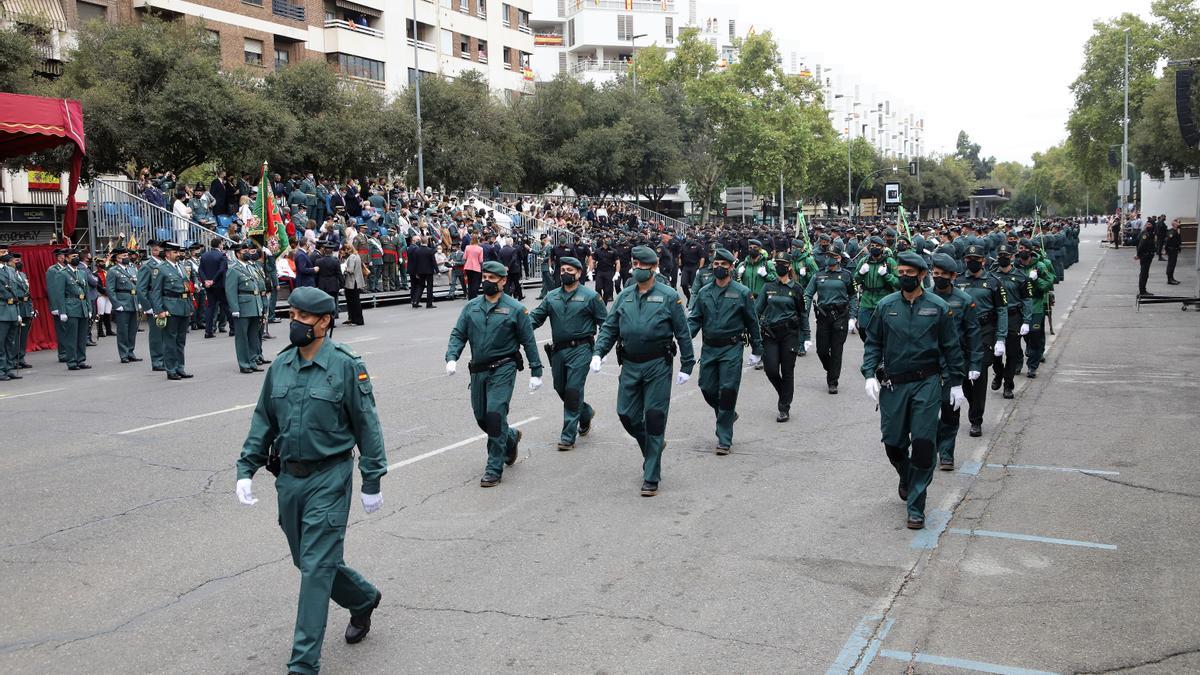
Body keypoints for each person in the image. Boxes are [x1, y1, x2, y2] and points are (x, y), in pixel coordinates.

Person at [235, 286, 387, 675]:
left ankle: (303, 665)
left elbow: (367, 425)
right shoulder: (282, 365)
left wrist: (372, 479)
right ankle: (364, 597)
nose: (295, 323)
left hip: (330, 477)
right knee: (307, 560)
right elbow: (263, 421)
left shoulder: (347, 365)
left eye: (304, 317)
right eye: (293, 316)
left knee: (317, 567)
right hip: (289, 480)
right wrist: (246, 469)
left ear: (324, 321)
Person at [862, 251, 966, 530]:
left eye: (910, 273)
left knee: (922, 444)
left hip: (927, 383)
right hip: (894, 384)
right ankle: (905, 475)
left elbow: (951, 347)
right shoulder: (886, 306)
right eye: (900, 272)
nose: (904, 277)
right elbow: (873, 343)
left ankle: (916, 507)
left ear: (922, 275)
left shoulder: (938, 307)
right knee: (893, 443)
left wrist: (956, 382)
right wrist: (869, 373)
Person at [592, 246, 695, 497]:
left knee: (655, 416)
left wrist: (688, 364)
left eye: (641, 265)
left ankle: (651, 475)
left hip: (657, 364)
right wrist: (598, 352)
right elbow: (609, 328)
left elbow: (682, 331)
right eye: (634, 264)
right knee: (626, 413)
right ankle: (653, 445)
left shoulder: (669, 295)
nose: (636, 268)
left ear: (653, 267)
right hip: (629, 364)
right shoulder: (625, 296)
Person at [445, 260, 544, 487]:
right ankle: (510, 436)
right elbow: (459, 334)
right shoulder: (471, 307)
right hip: (478, 371)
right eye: (485, 277)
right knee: (482, 417)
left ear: (503, 281)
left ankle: (493, 468)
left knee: (495, 415)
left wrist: (535, 371)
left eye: (492, 278)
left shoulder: (516, 309)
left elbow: (528, 341)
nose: (487, 282)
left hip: (503, 368)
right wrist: (452, 357)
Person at [687, 247, 763, 454]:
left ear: (731, 267)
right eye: (716, 264)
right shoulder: (704, 292)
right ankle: (727, 414)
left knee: (727, 391)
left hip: (732, 348)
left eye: (723, 264)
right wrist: (684, 338)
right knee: (706, 387)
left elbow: (752, 322)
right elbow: (694, 320)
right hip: (710, 348)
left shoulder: (742, 293)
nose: (719, 267)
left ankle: (724, 439)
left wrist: (758, 349)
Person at [529, 256, 608, 451]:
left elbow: (605, 323)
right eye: (562, 269)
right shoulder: (552, 296)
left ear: (579, 273)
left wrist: (601, 350)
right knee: (560, 388)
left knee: (573, 390)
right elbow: (536, 318)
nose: (565, 273)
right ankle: (586, 412)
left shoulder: (591, 297)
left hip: (581, 349)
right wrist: (517, 327)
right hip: (558, 351)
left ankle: (567, 436)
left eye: (570, 270)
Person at [929, 254, 981, 471]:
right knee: (927, 412)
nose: (938, 278)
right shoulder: (925, 298)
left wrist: (976, 364)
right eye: (935, 274)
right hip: (928, 363)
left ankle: (947, 453)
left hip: (953, 364)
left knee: (950, 410)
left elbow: (973, 334)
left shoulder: (964, 300)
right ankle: (929, 451)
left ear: (952, 276)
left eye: (942, 275)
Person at [955, 245, 1008, 437]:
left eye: (976, 259)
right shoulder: (959, 281)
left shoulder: (993, 282)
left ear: (983, 261)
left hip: (985, 331)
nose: (972, 262)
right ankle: (973, 403)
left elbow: (1002, 310)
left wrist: (1001, 337)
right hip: (962, 333)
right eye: (968, 259)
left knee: (979, 374)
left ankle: (976, 420)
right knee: (963, 376)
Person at [755, 258, 809, 422]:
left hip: (789, 335)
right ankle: (784, 394)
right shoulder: (768, 287)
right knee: (770, 370)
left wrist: (806, 336)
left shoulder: (796, 288)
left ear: (789, 267)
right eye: (777, 263)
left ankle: (784, 407)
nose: (779, 267)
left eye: (783, 264)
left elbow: (802, 314)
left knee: (787, 371)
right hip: (770, 334)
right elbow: (757, 310)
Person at [804, 242, 858, 395]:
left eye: (832, 256)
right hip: (823, 316)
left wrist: (852, 317)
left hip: (840, 316)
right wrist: (805, 311)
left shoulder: (846, 275)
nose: (829, 259)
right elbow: (808, 293)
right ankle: (832, 369)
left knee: (836, 350)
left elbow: (853, 296)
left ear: (839, 258)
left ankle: (832, 381)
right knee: (821, 350)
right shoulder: (818, 274)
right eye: (827, 256)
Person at [988, 244, 1032, 400]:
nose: (1002, 258)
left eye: (1006, 255)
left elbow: (1027, 300)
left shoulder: (1021, 277)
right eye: (1000, 255)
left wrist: (1027, 320)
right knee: (995, 352)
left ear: (1012, 257)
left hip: (1014, 317)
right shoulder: (991, 276)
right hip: (995, 319)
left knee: (1012, 353)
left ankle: (1008, 385)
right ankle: (998, 373)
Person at [151, 242, 194, 380]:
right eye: (175, 252)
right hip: (170, 306)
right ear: (168, 254)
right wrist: (159, 310)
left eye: (179, 252)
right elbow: (156, 292)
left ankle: (180, 367)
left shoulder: (181, 266)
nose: (178, 254)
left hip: (183, 306)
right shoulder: (160, 269)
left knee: (181, 340)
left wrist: (190, 306)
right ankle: (171, 369)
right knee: (170, 340)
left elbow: (186, 287)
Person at [47, 248, 92, 371]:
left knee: (82, 337)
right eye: (73, 256)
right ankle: (72, 361)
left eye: (77, 256)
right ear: (67, 258)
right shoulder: (62, 273)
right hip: (70, 307)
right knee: (72, 337)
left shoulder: (81, 272)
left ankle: (81, 360)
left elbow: (86, 291)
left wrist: (89, 308)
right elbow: (59, 294)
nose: (76, 258)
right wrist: (62, 311)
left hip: (82, 306)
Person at [1016, 241, 1055, 378]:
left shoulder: (1040, 265)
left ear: (1031, 250)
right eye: (1020, 248)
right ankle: (1019, 362)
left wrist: (1036, 279)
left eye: (1026, 248)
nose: (1023, 251)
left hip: (1036, 305)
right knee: (1020, 336)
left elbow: (1049, 283)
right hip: (1019, 306)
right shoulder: (1015, 266)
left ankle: (1032, 366)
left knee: (1035, 335)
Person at [226, 243, 265, 374]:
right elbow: (230, 291)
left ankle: (253, 360)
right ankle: (244, 363)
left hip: (254, 304)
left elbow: (257, 287)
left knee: (253, 335)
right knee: (242, 337)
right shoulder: (233, 269)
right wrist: (234, 308)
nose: (248, 253)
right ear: (238, 253)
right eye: (245, 251)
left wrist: (260, 306)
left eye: (248, 250)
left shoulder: (251, 267)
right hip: (242, 306)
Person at [105, 247, 142, 364]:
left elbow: (137, 286)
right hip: (122, 302)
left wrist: (139, 302)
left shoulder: (132, 269)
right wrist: (116, 304)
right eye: (123, 256)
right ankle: (123, 354)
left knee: (132, 329)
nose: (126, 258)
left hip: (133, 301)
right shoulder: (113, 271)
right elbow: (110, 290)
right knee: (122, 330)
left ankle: (131, 352)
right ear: (117, 258)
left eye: (127, 256)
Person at [10, 252, 33, 370]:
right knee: (15, 336)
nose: (19, 263)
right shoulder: (9, 274)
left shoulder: (23, 274)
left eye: (20, 260)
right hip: (16, 306)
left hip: (26, 307)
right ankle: (13, 360)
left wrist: (32, 308)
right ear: (10, 262)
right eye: (16, 261)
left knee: (23, 335)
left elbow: (28, 292)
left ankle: (21, 358)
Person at [0, 252, 20, 380]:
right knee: (0, 343)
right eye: (2, 252)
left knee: (10, 342)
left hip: (12, 310)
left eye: (6, 252)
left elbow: (16, 293)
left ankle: (8, 368)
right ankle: (1, 370)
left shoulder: (11, 270)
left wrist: (18, 313)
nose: (6, 254)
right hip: (1, 310)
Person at [406, 236, 437, 309]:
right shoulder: (430, 250)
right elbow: (433, 261)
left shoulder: (417, 250)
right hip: (429, 271)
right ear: (426, 242)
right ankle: (429, 303)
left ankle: (415, 301)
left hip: (420, 271)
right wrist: (437, 271)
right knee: (429, 287)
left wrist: (416, 272)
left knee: (420, 286)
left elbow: (416, 262)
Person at [341, 243, 366, 325]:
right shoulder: (357, 255)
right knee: (355, 301)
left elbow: (351, 270)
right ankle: (354, 318)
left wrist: (344, 269)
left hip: (352, 282)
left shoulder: (351, 257)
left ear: (347, 249)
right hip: (357, 281)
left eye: (345, 250)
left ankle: (357, 319)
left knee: (353, 302)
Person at [1135, 219, 1157, 296]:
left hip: (1147, 255)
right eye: (1147, 224)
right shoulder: (1146, 234)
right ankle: (1142, 291)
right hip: (1145, 256)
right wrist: (1138, 255)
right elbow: (1140, 245)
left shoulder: (1148, 233)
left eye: (1149, 224)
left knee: (1145, 274)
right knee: (1144, 274)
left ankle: (1143, 290)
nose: (1148, 225)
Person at [1165, 218, 1182, 285]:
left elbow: (1178, 242)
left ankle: (1172, 278)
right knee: (1171, 265)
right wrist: (1166, 250)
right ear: (1174, 224)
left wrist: (1179, 248)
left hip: (1175, 250)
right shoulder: (1171, 232)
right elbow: (1167, 242)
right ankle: (1169, 279)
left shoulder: (1176, 231)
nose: (1179, 224)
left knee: (1173, 264)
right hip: (1171, 250)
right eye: (1178, 223)